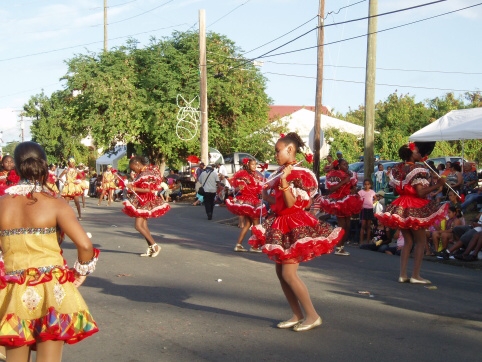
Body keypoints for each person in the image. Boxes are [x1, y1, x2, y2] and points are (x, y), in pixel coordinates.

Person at [0, 141, 99, 361]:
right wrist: (81, 272)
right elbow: (84, 245)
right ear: (43, 165)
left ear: (15, 167)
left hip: (13, 290)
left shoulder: (2, 204)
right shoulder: (55, 203)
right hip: (53, 291)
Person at [249, 132, 343, 332]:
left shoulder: (299, 174)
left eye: (277, 151)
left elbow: (295, 203)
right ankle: (297, 314)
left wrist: (283, 184)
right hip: (279, 222)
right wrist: (267, 195)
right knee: (280, 273)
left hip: (294, 223)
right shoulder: (282, 172)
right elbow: (280, 202)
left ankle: (312, 315)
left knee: (289, 273)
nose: (275, 155)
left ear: (289, 149)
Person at [375, 143, 447, 284]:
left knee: (408, 241)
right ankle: (415, 275)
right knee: (421, 241)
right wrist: (438, 185)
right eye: (416, 151)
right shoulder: (418, 169)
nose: (419, 152)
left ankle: (403, 275)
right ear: (411, 153)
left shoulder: (397, 168)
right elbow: (420, 192)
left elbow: (396, 191)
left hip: (400, 204)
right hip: (414, 204)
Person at [123, 156, 170, 257]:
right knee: (143, 226)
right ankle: (151, 247)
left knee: (138, 226)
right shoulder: (144, 172)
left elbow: (150, 189)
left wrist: (133, 187)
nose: (133, 170)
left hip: (145, 200)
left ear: (137, 164)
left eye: (133, 168)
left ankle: (155, 246)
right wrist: (132, 188)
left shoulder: (146, 173)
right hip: (141, 200)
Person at [317, 158, 363, 255]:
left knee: (347, 226)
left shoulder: (350, 174)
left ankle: (341, 247)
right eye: (344, 164)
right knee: (342, 225)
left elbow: (352, 186)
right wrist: (344, 181)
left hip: (348, 200)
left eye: (347, 164)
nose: (346, 166)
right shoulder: (333, 175)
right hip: (338, 201)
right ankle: (338, 247)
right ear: (338, 166)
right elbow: (331, 189)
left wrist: (354, 189)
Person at [225, 158, 266, 252]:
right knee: (256, 225)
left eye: (255, 164)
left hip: (252, 201)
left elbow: (257, 187)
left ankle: (239, 244)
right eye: (252, 164)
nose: (254, 166)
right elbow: (242, 187)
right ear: (248, 165)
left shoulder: (255, 175)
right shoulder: (244, 175)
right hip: (250, 202)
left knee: (248, 224)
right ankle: (254, 246)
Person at [358, 178, 376, 245]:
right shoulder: (361, 192)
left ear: (370, 185)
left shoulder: (372, 192)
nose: (366, 186)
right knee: (363, 225)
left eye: (368, 184)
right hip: (364, 210)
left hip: (370, 209)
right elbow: (358, 200)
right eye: (365, 184)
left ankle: (368, 241)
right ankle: (361, 241)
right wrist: (360, 205)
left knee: (368, 226)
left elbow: (375, 198)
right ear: (363, 185)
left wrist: (372, 202)